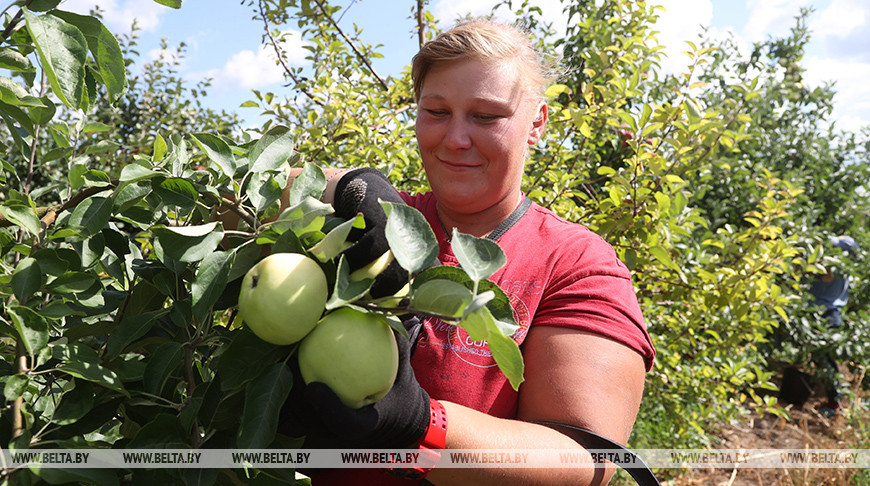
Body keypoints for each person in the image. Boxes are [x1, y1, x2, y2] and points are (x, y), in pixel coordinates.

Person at [277, 19, 656, 485]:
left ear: (536, 123)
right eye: (436, 111)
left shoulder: (576, 264)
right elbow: (237, 201)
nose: (456, 138)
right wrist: (353, 186)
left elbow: (582, 463)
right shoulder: (376, 224)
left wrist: (419, 426)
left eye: (486, 116)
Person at [808, 235, 858, 417]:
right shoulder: (845, 269)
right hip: (830, 315)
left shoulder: (834, 269)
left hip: (825, 315)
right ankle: (833, 400)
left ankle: (835, 403)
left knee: (825, 362)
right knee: (824, 360)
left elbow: (821, 274)